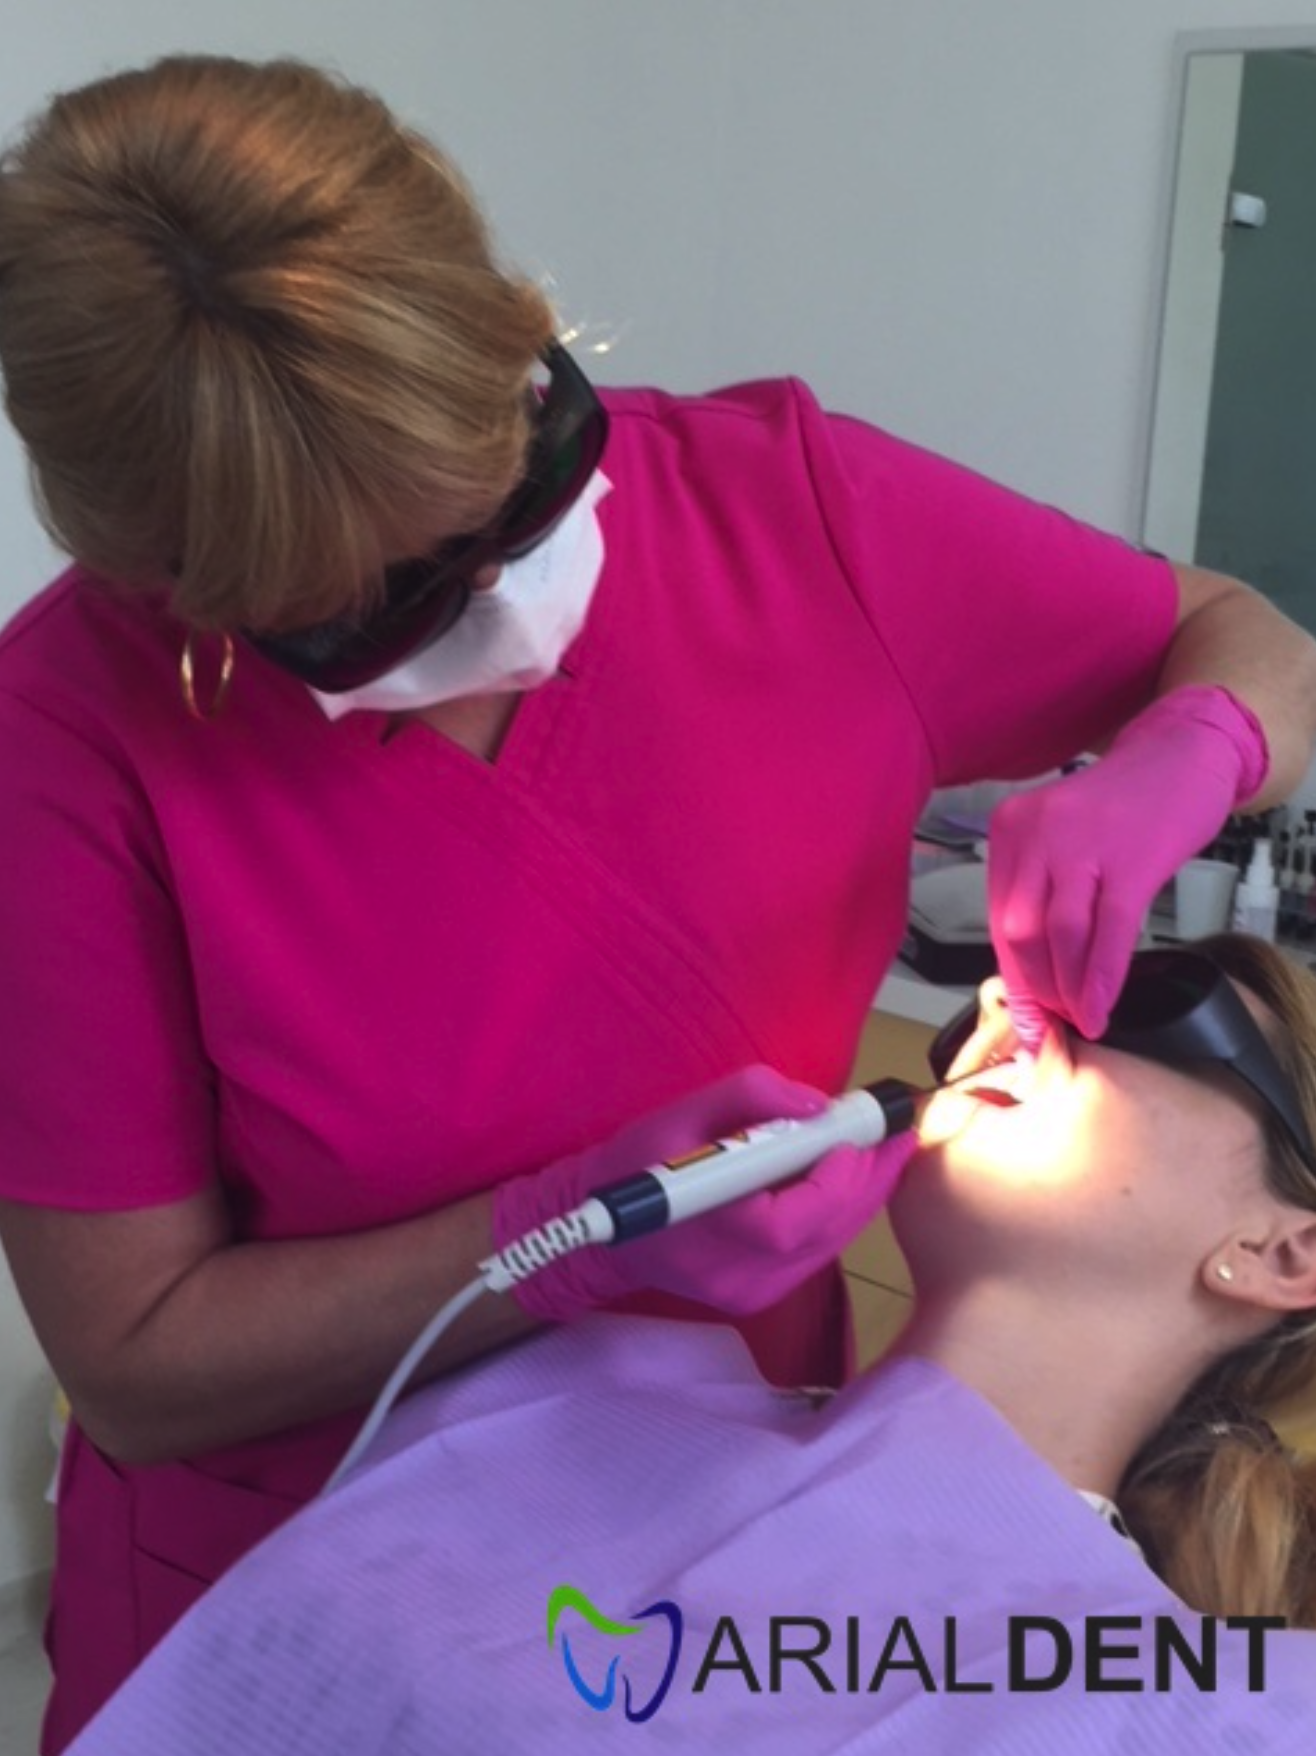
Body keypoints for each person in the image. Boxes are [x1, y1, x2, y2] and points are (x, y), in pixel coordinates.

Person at [0, 51, 1314, 1752]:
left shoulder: (789, 517)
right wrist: (562, 1234)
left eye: (526, 473)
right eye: (383, 600)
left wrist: (1194, 747)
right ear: (180, 588)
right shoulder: (68, 744)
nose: (501, 596)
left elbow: (1244, 640)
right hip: (300, 1581)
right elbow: (135, 1355)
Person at [55, 935, 1316, 1754]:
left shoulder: (1175, 1703)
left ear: (1281, 1253)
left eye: (1144, 1000)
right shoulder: (570, 1396)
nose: (1007, 997)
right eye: (1025, 971)